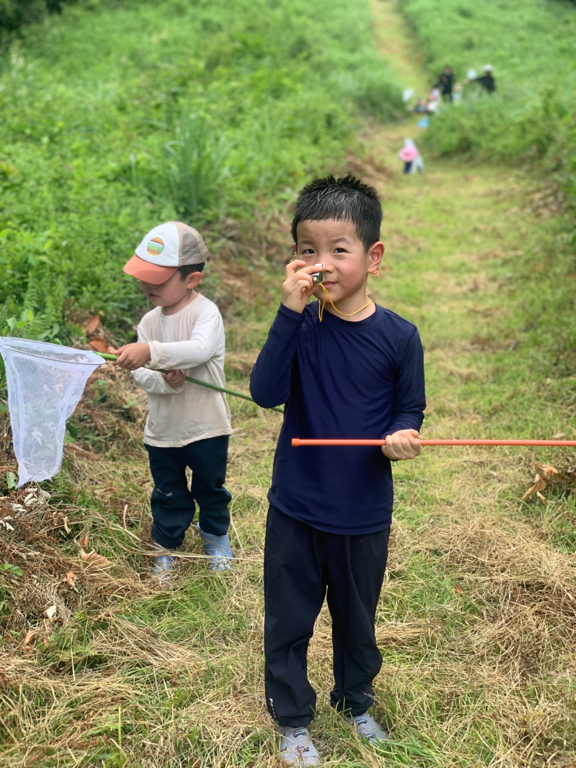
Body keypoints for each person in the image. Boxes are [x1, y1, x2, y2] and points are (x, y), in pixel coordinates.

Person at [250, 176, 426, 765]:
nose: (319, 264)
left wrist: (403, 434)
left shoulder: (399, 337)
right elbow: (265, 391)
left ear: (372, 257)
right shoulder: (301, 326)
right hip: (296, 505)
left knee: (358, 618)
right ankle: (293, 718)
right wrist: (289, 310)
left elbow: (409, 407)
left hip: (362, 510)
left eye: (337, 250)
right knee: (289, 616)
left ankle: (355, 700)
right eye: (307, 250)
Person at [114, 222, 234, 581]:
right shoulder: (149, 322)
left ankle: (215, 537)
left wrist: (152, 352)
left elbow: (198, 349)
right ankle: (166, 547)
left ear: (192, 280)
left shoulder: (205, 314)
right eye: (145, 277)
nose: (148, 285)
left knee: (210, 488)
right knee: (167, 492)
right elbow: (141, 374)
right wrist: (165, 381)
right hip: (164, 430)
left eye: (159, 279)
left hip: (206, 425)